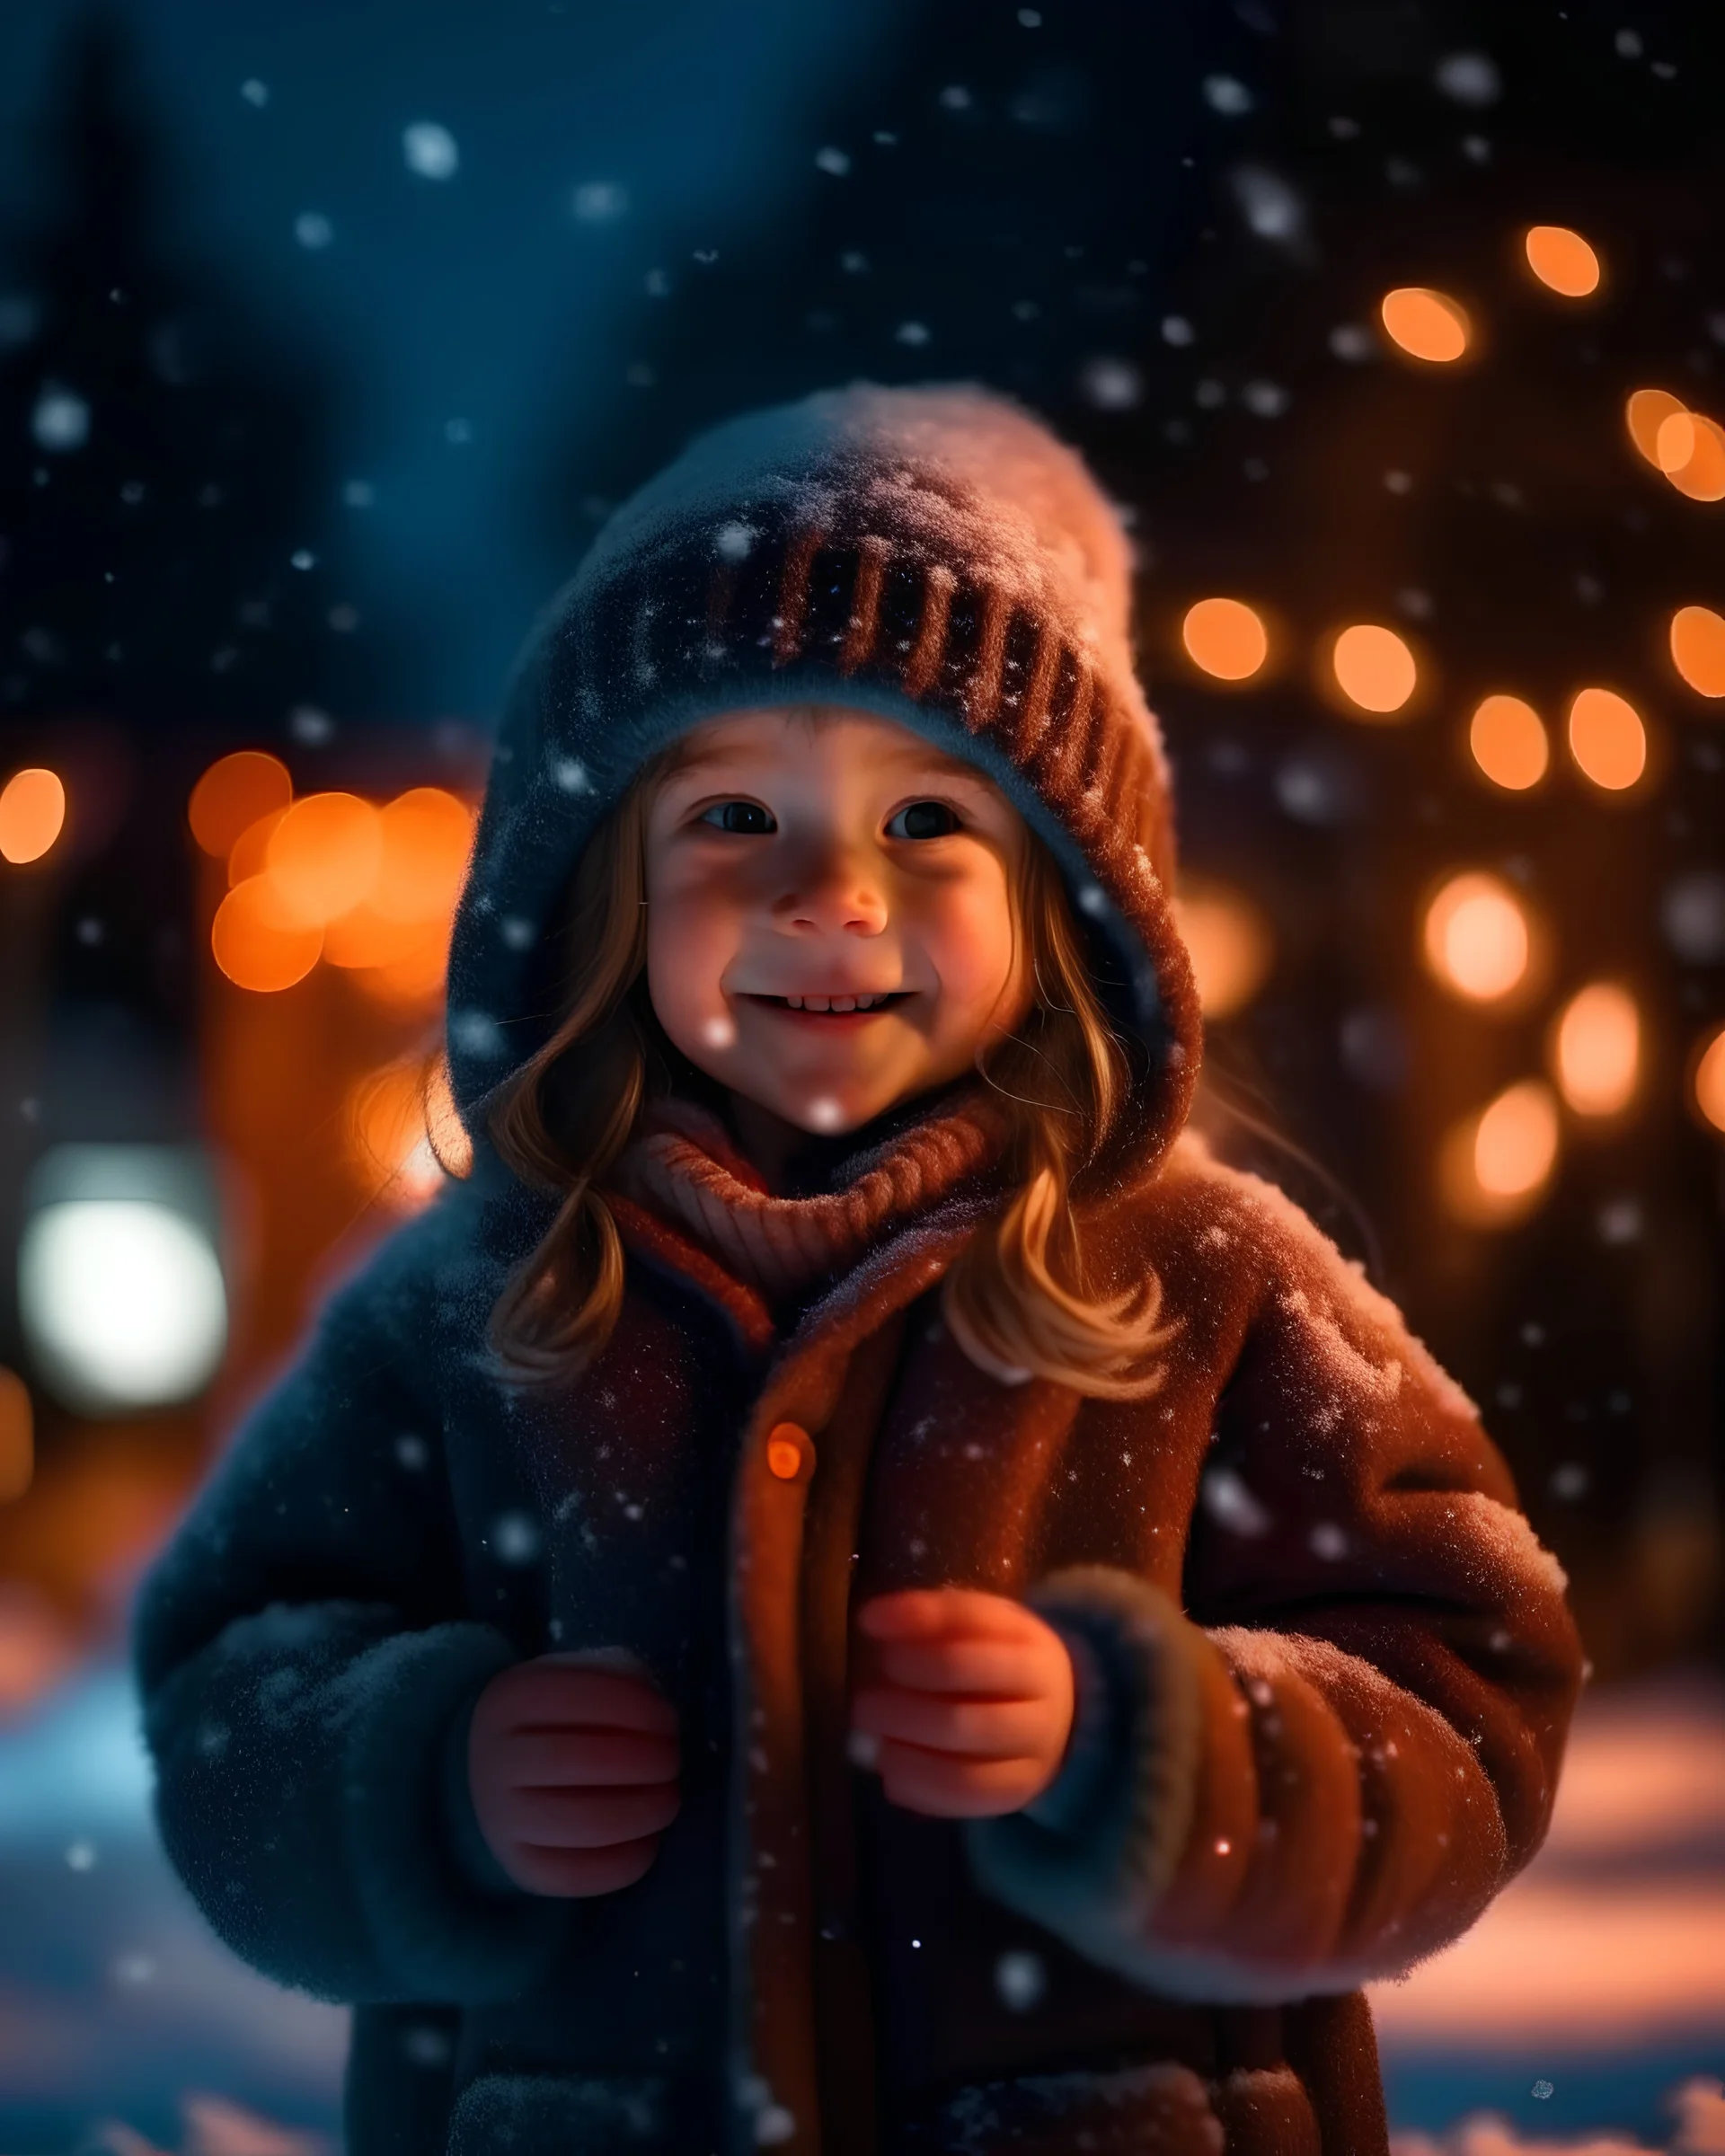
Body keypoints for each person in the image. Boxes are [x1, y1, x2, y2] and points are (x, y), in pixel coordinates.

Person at [132, 384, 1584, 2156]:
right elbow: (231, 1682)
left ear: (1071, 899)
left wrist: (1166, 1753)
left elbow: (1473, 1683)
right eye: (734, 820)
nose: (830, 895)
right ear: (596, 894)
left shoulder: (1215, 1284)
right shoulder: (470, 1309)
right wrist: (426, 1780)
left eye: (926, 825)